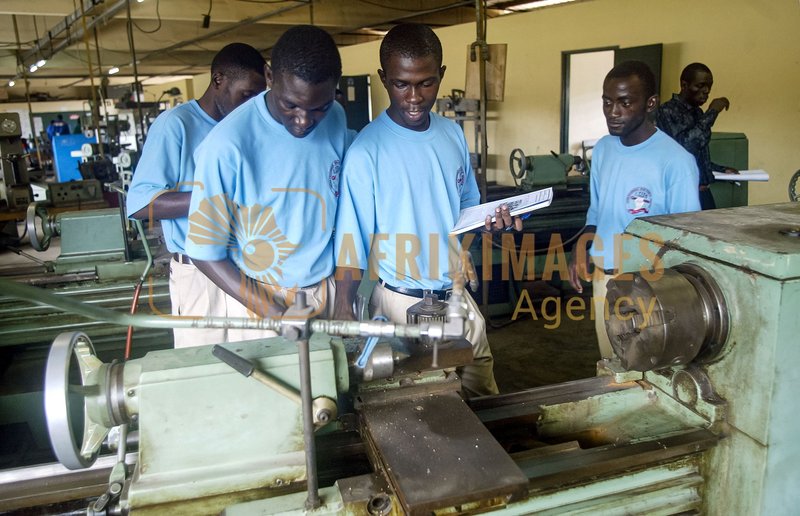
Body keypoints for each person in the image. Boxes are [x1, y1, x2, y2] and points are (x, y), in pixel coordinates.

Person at [333, 23, 520, 398]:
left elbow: (466, 205)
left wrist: (492, 223)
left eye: (426, 83)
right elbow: (350, 241)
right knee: (417, 403)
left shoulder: (451, 134)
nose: (415, 96)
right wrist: (343, 308)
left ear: (442, 76)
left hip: (454, 294)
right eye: (402, 84)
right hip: (400, 302)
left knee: (482, 387)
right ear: (384, 78)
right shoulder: (367, 153)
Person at [184, 25, 349, 343]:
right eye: (291, 105)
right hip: (259, 301)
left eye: (319, 108)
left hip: (325, 290)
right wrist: (274, 313)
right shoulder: (227, 145)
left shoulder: (337, 118)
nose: (304, 120)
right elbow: (205, 253)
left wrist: (342, 297)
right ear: (270, 76)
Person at [126, 43, 267, 348]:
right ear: (219, 80)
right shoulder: (176, 125)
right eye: (246, 95)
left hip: (246, 269)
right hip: (199, 276)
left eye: (258, 98)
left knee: (255, 363)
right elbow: (140, 204)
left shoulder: (248, 127)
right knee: (203, 367)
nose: (252, 106)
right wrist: (216, 197)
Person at [568, 60, 700, 359]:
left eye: (625, 102)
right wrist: (584, 243)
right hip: (604, 278)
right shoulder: (603, 149)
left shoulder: (675, 162)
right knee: (611, 363)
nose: (613, 112)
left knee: (645, 370)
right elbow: (598, 210)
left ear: (650, 103)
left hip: (649, 285)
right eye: (607, 101)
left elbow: (686, 241)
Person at [656, 63, 738, 210]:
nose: (706, 91)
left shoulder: (698, 113)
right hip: (683, 193)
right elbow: (685, 149)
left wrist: (720, 168)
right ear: (684, 85)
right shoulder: (667, 111)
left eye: (709, 86)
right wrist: (712, 112)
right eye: (700, 85)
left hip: (704, 191)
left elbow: (698, 155)